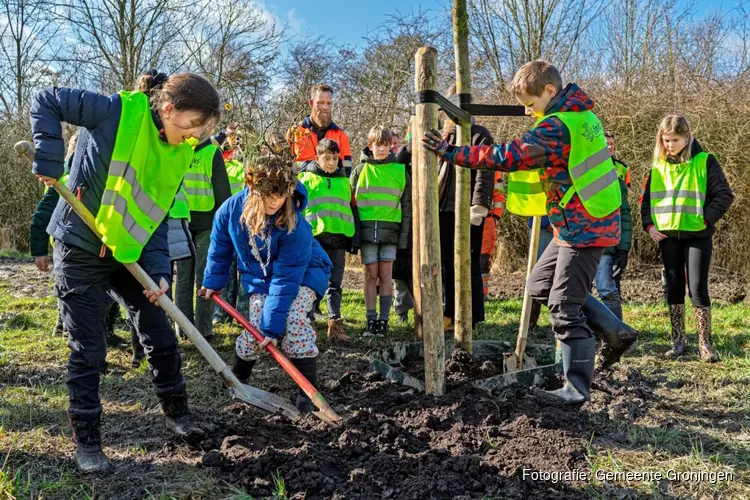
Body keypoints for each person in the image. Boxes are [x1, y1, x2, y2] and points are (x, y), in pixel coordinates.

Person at [30, 71, 221, 472]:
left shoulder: (180, 153)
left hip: (129, 252)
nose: (192, 139)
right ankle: (88, 441)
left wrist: (158, 271)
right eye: (190, 128)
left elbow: (156, 213)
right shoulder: (115, 111)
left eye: (199, 133)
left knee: (159, 331)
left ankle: (177, 413)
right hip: (80, 245)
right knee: (89, 348)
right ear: (168, 109)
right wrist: (48, 158)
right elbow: (46, 98)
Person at [423, 60, 638, 405]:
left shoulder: (557, 126)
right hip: (580, 220)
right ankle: (614, 330)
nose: (526, 110)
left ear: (550, 92)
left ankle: (576, 389)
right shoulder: (583, 116)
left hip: (583, 226)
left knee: (565, 306)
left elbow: (508, 156)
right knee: (539, 284)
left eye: (530, 102)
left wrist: (451, 152)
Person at [200, 152, 332, 413]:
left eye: (280, 196)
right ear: (253, 189)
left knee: (293, 319)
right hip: (260, 276)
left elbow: (286, 279)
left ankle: (307, 394)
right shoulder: (230, 211)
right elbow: (220, 247)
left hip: (305, 272)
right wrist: (213, 281)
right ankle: (238, 381)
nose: (275, 202)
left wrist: (273, 329)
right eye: (268, 196)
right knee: (255, 330)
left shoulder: (296, 225)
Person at [640, 114, 734, 362]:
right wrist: (648, 226)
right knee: (673, 288)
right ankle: (678, 341)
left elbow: (724, 195)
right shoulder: (656, 166)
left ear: (687, 137)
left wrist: (706, 219)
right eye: (665, 140)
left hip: (697, 235)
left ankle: (705, 345)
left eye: (674, 140)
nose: (669, 145)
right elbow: (646, 201)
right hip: (667, 236)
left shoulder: (705, 161)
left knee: (698, 288)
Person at [438, 85, 495, 331]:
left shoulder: (479, 134)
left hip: (467, 212)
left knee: (468, 264)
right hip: (443, 210)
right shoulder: (445, 136)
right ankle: (449, 313)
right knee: (447, 265)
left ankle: (470, 315)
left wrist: (479, 206)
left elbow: (485, 171)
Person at [174, 124, 234, 341]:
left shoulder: (179, 148)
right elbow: (223, 195)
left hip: (189, 222)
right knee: (200, 278)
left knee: (186, 278)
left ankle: (187, 330)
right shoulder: (206, 151)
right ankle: (201, 332)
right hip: (192, 223)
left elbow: (223, 193)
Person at [298, 138, 360, 342]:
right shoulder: (306, 179)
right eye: (326, 158)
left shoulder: (344, 181)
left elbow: (352, 209)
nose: (331, 163)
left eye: (335, 158)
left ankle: (335, 324)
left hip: (339, 239)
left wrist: (354, 239)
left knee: (336, 284)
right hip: (314, 240)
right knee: (311, 282)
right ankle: (307, 322)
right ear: (317, 158)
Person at [351, 125, 411, 336]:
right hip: (367, 232)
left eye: (386, 145)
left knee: (386, 276)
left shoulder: (400, 170)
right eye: (378, 145)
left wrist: (403, 238)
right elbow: (352, 206)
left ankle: (384, 321)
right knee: (370, 275)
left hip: (390, 233)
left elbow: (406, 207)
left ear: (391, 146)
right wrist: (354, 236)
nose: (383, 149)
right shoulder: (360, 170)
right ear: (370, 146)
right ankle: (370, 320)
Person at [594, 134, 633, 319]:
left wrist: (623, 247)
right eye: (605, 144)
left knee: (607, 288)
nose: (608, 148)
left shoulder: (619, 172)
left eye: (611, 144)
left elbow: (624, 213)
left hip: (606, 243)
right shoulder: (578, 171)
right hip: (583, 240)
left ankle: (616, 333)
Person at [288, 84, 352, 176]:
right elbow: (286, 166)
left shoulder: (341, 135)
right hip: (301, 189)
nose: (325, 107)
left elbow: (347, 172)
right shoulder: (295, 132)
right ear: (311, 103)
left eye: (328, 103)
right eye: (321, 103)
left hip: (331, 189)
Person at [480, 171, 506, 299]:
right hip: (463, 216)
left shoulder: (493, 168)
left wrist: (496, 215)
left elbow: (499, 193)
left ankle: (483, 293)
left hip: (487, 218)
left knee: (484, 258)